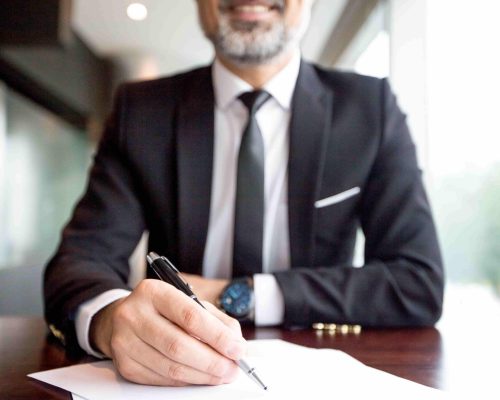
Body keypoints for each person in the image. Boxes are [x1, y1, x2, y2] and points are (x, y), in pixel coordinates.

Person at [44, 0, 444, 388]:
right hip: (173, 378)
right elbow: (79, 262)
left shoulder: (370, 109)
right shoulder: (142, 110)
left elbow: (417, 281)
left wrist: (241, 294)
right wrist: (110, 320)